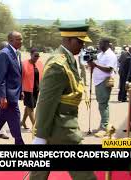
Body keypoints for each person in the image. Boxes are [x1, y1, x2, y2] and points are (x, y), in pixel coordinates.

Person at [30, 24, 96, 180]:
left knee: (38, 175)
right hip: (62, 129)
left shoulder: (68, 60)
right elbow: (46, 102)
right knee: (86, 176)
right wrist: (40, 135)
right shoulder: (58, 65)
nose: (83, 45)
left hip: (58, 127)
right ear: (68, 40)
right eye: (79, 42)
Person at [88, 38, 117, 137]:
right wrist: (90, 63)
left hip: (104, 82)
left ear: (106, 44)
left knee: (103, 104)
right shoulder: (100, 54)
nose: (98, 45)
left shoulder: (111, 55)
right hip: (98, 82)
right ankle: (103, 125)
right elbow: (94, 65)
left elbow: (109, 69)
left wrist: (95, 65)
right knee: (101, 104)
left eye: (100, 43)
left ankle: (104, 127)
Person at [21, 48, 43, 129]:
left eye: (38, 56)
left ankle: (23, 121)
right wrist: (21, 90)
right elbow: (20, 77)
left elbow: (42, 76)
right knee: (30, 107)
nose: (37, 58)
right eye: (35, 56)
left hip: (36, 89)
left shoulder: (40, 63)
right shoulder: (24, 64)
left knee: (30, 106)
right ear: (31, 55)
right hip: (27, 89)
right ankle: (35, 126)